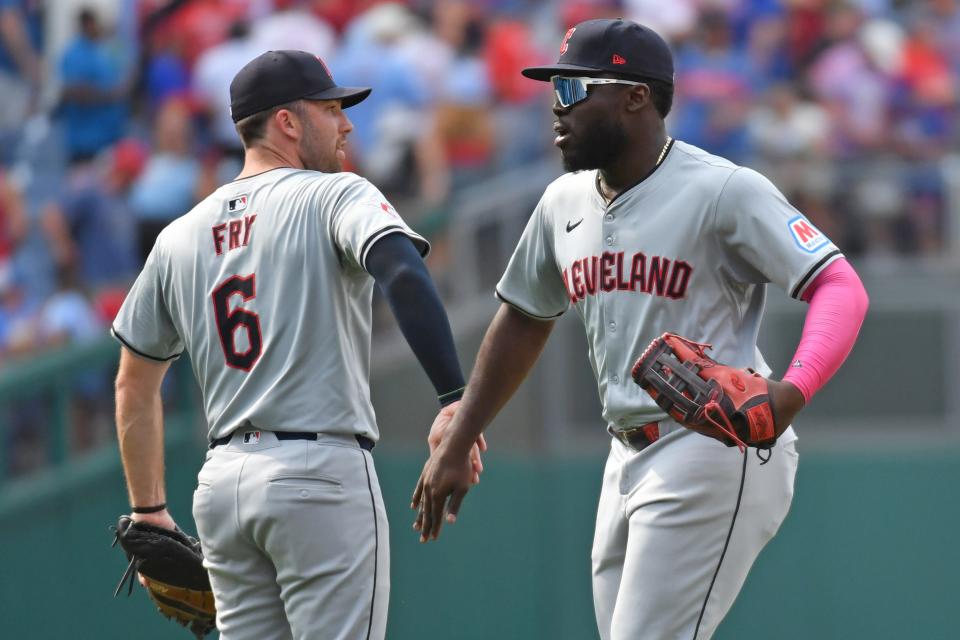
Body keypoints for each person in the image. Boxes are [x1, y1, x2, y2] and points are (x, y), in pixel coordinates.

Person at [412, 19, 869, 640]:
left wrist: (793, 389)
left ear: (635, 96)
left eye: (574, 90)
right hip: (623, 455)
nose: (556, 105)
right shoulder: (562, 202)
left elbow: (840, 285)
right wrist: (462, 434)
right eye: (554, 89)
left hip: (711, 445)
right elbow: (523, 317)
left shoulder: (722, 190)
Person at [111, 50, 483, 640]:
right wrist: (454, 397)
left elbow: (134, 381)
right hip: (318, 476)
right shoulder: (334, 195)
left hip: (223, 488)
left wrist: (149, 510)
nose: (347, 124)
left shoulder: (178, 236)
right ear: (287, 121)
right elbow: (404, 272)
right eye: (332, 109)